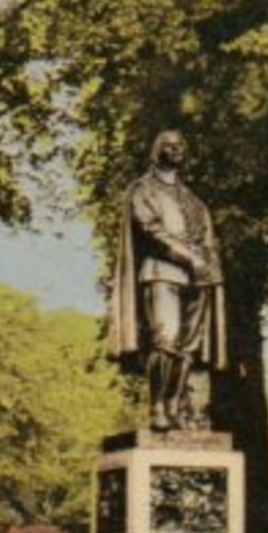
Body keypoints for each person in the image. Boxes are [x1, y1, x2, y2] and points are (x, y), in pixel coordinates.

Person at [107, 130, 229, 432]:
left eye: (180, 146)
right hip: (162, 272)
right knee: (165, 340)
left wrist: (207, 267)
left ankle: (175, 406)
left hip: (198, 279)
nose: (176, 150)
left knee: (189, 346)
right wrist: (190, 257)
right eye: (169, 146)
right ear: (156, 151)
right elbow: (151, 230)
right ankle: (157, 407)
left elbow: (207, 239)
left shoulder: (194, 201)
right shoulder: (143, 190)